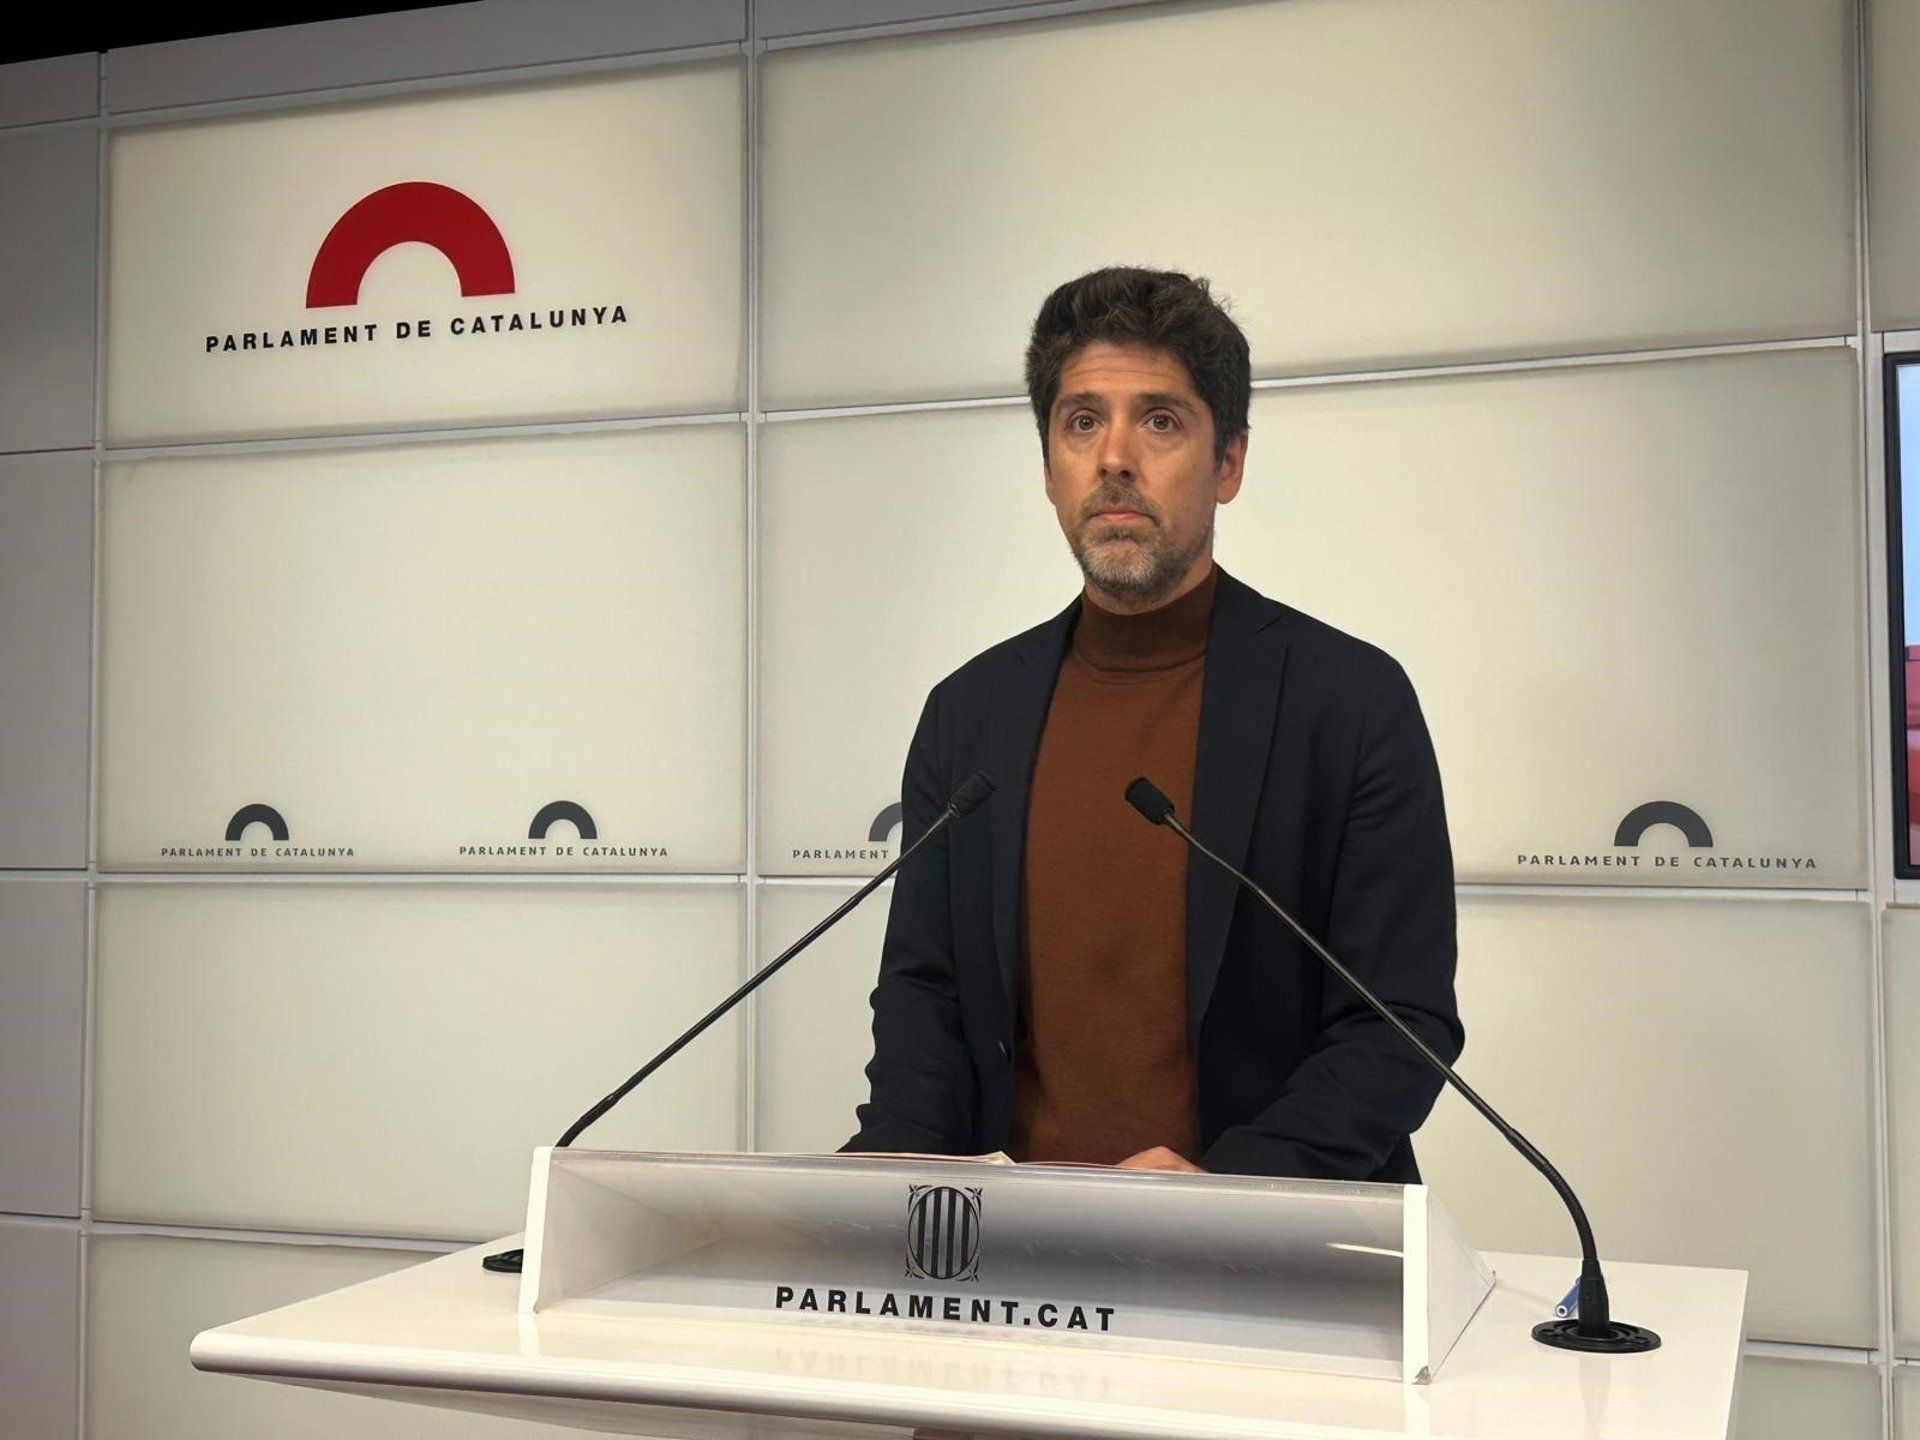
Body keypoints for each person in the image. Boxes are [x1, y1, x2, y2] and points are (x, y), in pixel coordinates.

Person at [842, 267, 1461, 1180]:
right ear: (1048, 468)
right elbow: (924, 997)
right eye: (1081, 421)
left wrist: (1227, 1192)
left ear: (1229, 463)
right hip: (1013, 1244)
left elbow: (1397, 1022)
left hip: (1272, 1241)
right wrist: (882, 1189)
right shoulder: (968, 714)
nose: (1114, 458)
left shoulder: (1351, 701)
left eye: (1161, 421)